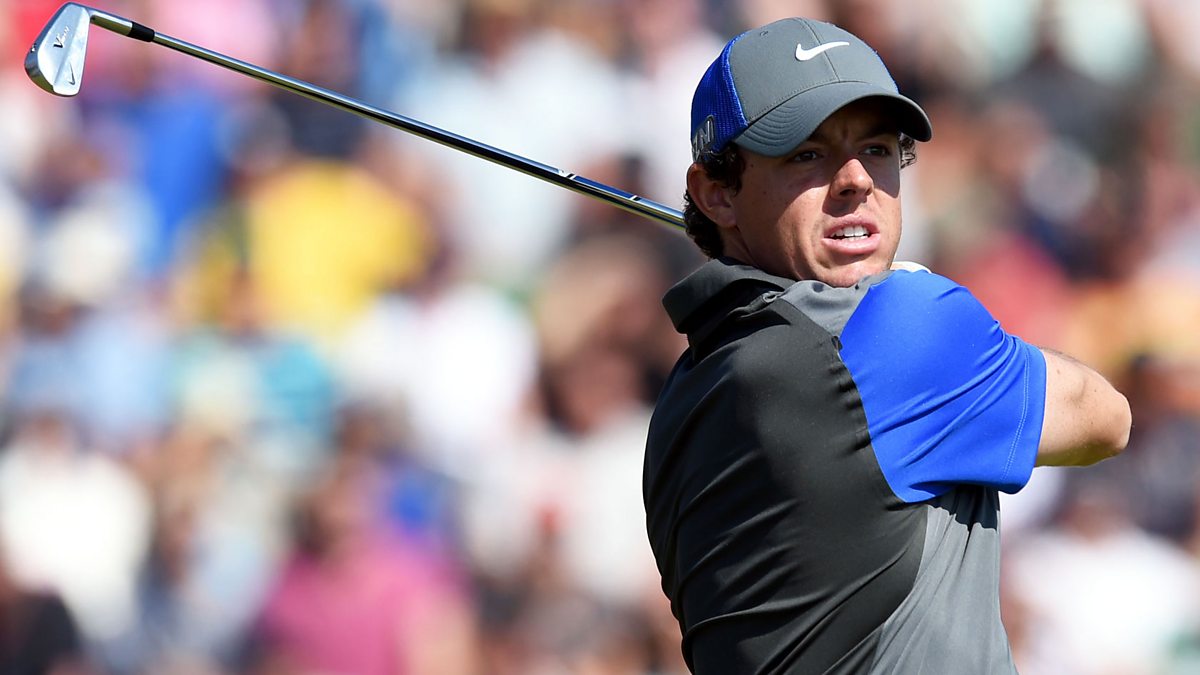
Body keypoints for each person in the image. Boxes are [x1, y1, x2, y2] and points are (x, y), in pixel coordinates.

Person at [642, 17, 1132, 675]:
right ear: (716, 193)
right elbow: (1106, 418)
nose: (855, 179)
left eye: (876, 148)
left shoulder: (684, 393)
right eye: (806, 154)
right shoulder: (902, 330)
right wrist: (917, 296)